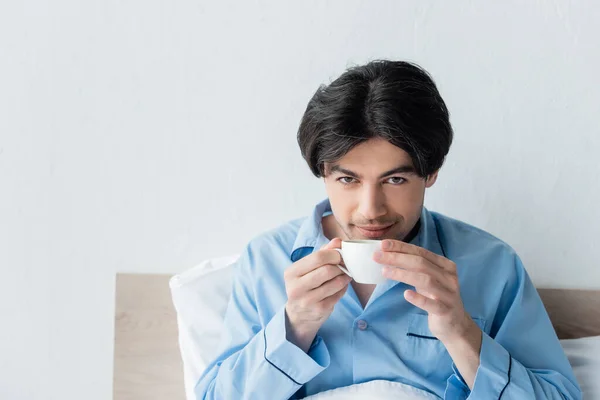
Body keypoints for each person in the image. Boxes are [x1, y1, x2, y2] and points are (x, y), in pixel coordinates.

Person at [195, 60, 581, 399]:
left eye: (395, 180)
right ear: (323, 174)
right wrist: (294, 326)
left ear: (430, 173)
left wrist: (462, 333)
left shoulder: (491, 265)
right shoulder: (266, 261)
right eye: (348, 180)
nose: (370, 210)